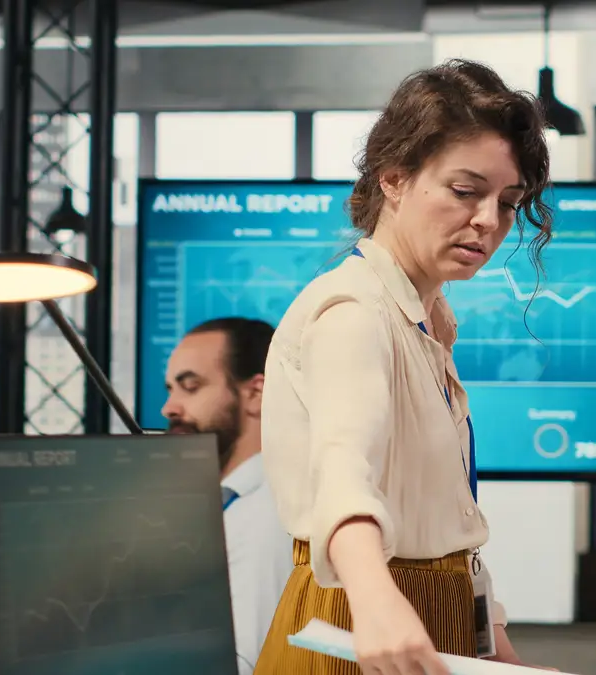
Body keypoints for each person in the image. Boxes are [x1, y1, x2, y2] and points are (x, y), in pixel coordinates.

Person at [254, 59, 554, 675]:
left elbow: (451, 519)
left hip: (427, 622)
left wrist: (496, 641)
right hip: (357, 626)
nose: (490, 221)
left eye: (508, 201)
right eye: (465, 191)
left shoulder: (426, 319)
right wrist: (375, 599)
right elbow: (343, 470)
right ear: (393, 178)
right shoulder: (356, 312)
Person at [161, 317, 293, 675]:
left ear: (256, 394)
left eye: (191, 387)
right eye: (170, 389)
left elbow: (237, 664)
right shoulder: (230, 502)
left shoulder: (268, 517)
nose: (169, 408)